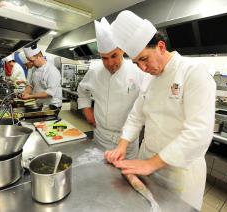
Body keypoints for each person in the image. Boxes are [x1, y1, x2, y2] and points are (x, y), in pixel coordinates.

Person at [104, 10, 216, 210]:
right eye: (137, 63)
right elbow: (136, 116)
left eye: (144, 59)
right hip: (147, 159)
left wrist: (151, 164)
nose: (143, 68)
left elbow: (198, 133)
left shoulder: (193, 72)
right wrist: (122, 145)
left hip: (179, 171)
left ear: (161, 47)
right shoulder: (149, 79)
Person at [77, 17, 147, 159]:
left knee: (122, 179)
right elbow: (82, 91)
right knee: (99, 174)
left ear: (121, 50)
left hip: (126, 141)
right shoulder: (95, 72)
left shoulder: (138, 71)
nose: (109, 63)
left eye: (113, 56)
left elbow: (146, 102)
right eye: (104, 58)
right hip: (101, 136)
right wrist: (87, 111)